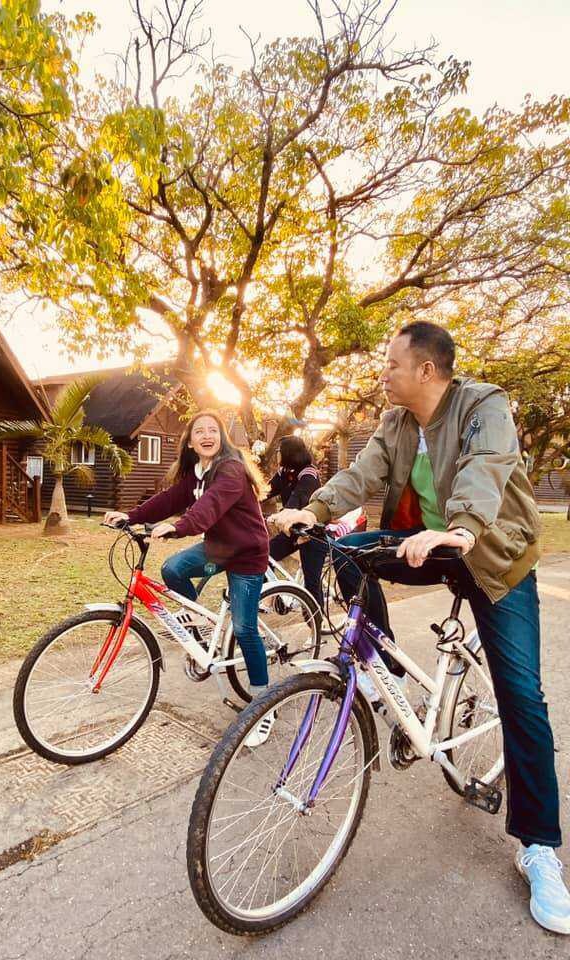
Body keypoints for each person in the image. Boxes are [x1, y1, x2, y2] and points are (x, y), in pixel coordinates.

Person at [271, 320, 569, 935]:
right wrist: (314, 508)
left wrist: (458, 528)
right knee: (340, 552)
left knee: (523, 698)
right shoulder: (396, 424)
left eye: (391, 364)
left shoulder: (483, 405)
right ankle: (379, 666)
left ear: (426, 371)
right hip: (426, 544)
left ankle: (539, 847)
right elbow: (362, 476)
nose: (384, 374)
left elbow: (485, 470)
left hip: (490, 557)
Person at [104, 410, 274, 745]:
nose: (207, 436)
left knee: (244, 628)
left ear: (222, 437)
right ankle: (198, 634)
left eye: (213, 430)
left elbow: (210, 506)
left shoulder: (230, 469)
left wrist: (180, 527)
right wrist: (131, 515)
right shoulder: (197, 472)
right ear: (191, 441)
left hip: (247, 555)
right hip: (217, 550)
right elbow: (169, 499)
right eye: (200, 431)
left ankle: (264, 707)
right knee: (173, 569)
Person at [264, 435, 328, 612]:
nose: (277, 453)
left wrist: (280, 515)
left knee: (312, 583)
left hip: (312, 533)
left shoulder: (309, 475)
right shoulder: (284, 472)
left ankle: (316, 628)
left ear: (289, 452)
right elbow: (265, 491)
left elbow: (297, 500)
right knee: (263, 558)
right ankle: (273, 598)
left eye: (279, 450)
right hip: (291, 530)